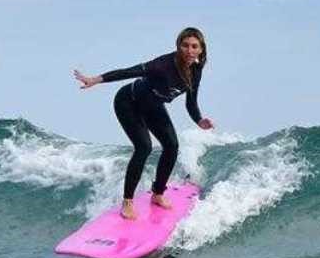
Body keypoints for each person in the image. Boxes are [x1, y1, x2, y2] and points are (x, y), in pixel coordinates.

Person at [73, 28, 215, 219]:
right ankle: (128, 201)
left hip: (153, 106)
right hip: (128, 102)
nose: (189, 50)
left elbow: (191, 101)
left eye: (194, 46)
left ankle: (157, 193)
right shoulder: (163, 65)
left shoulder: (196, 70)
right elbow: (129, 72)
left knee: (172, 146)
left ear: (201, 49)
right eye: (185, 45)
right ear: (178, 46)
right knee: (144, 147)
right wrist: (95, 80)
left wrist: (199, 119)